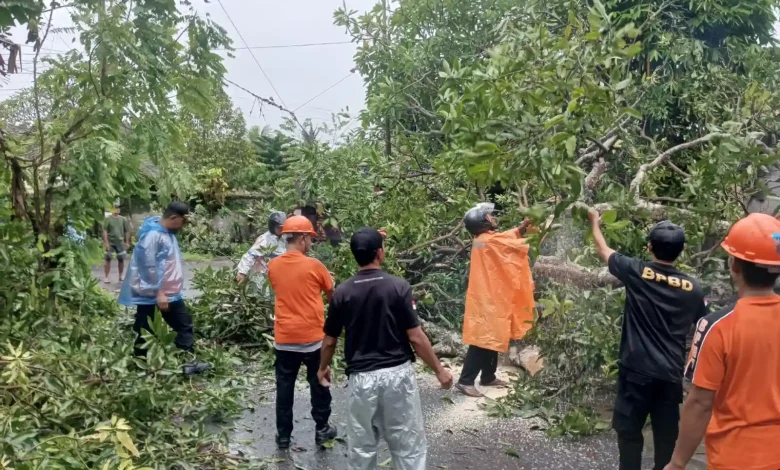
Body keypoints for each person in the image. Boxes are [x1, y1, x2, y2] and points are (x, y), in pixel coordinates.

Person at [317, 227, 452, 470]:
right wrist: (439, 371)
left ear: (354, 255)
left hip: (361, 380)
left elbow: (329, 340)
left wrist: (322, 368)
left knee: (361, 447)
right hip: (397, 377)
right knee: (407, 445)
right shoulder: (398, 287)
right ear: (380, 252)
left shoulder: (342, 293)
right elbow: (416, 337)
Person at [587, 208, 708, 470]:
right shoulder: (695, 288)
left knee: (629, 433)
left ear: (650, 247)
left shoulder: (637, 271)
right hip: (669, 376)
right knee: (666, 439)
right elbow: (702, 328)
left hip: (635, 373)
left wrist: (594, 222)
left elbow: (603, 250)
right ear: (683, 249)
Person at [664, 213, 780, 470]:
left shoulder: (717, 326)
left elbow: (700, 403)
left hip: (736, 458)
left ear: (734, 266)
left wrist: (677, 462)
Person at [266, 215, 337, 450]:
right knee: (320, 382)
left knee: (284, 387)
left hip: (284, 339)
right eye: (311, 239)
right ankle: (322, 429)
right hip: (313, 339)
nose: (312, 244)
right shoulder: (315, 266)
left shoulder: (273, 266)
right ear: (304, 238)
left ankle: (284, 435)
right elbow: (332, 297)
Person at [118, 201, 209, 376]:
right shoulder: (153, 236)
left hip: (168, 294)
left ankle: (175, 363)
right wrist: (158, 292)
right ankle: (144, 366)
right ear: (173, 218)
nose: (182, 227)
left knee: (155, 327)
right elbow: (147, 266)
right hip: (156, 294)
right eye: (182, 222)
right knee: (152, 328)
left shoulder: (165, 233)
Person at [456, 202, 536, 397]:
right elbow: (517, 245)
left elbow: (504, 238)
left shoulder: (483, 239)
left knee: (493, 336)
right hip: (488, 298)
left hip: (489, 297)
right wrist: (537, 230)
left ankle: (488, 376)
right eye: (489, 216)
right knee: (483, 340)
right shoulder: (488, 241)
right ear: (482, 222)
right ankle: (465, 380)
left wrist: (521, 228)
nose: (493, 217)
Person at [236, 210, 287, 291]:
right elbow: (250, 255)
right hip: (264, 278)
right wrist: (242, 273)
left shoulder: (284, 238)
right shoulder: (264, 239)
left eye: (283, 227)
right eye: (279, 227)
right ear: (272, 226)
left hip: (279, 277)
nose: (281, 229)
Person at [103, 202, 131, 284]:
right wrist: (106, 242)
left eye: (118, 208)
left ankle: (120, 276)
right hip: (111, 242)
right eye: (116, 207)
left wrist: (127, 242)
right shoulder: (108, 219)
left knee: (121, 259)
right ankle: (106, 277)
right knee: (108, 259)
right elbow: (105, 231)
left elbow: (126, 231)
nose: (117, 209)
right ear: (112, 209)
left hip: (120, 242)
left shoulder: (123, 219)